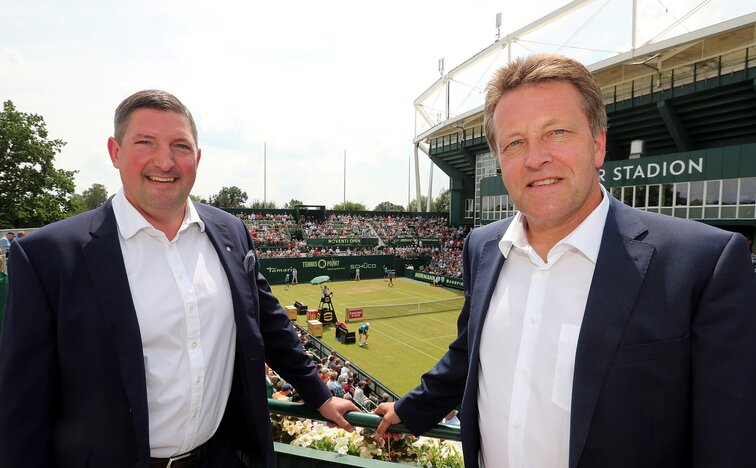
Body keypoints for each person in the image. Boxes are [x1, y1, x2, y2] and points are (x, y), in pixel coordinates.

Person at [375, 54, 756, 467]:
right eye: (514, 142)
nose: (535, 158)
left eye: (556, 132)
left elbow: (728, 440)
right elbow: (469, 354)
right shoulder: (481, 247)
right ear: (500, 160)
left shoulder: (704, 262)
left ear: (597, 145)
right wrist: (409, 410)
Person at [0, 89, 356, 468]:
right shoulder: (48, 255)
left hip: (219, 458)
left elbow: (267, 322)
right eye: (145, 142)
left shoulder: (230, 232)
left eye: (180, 146)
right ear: (115, 152)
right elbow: (23, 404)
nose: (165, 161)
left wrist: (319, 394)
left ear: (197, 158)